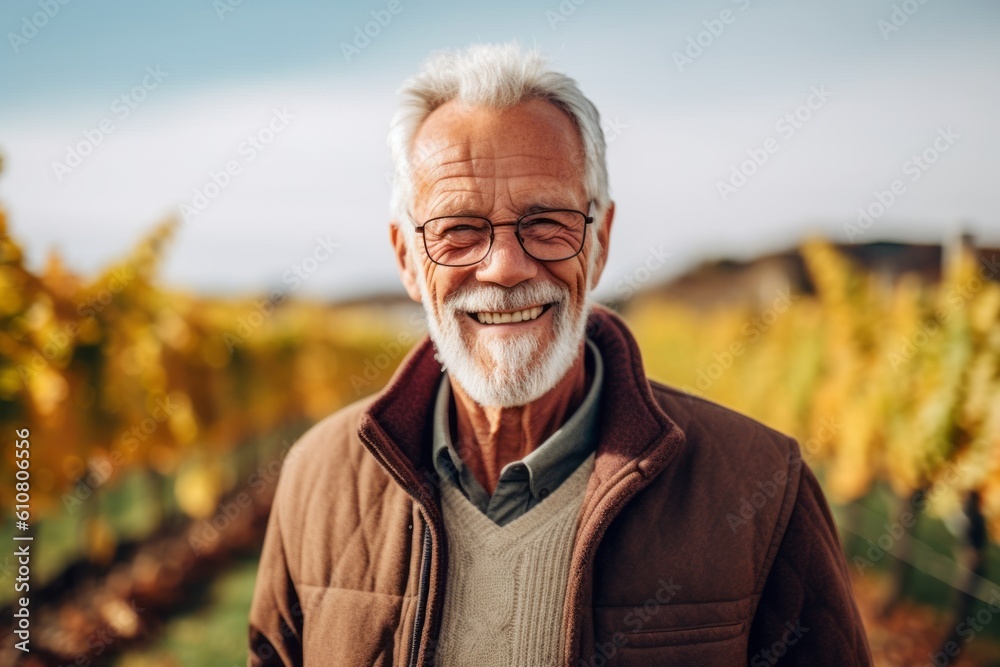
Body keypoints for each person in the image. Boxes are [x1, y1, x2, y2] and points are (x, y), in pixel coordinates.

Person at [248, 42, 872, 666]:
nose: (505, 268)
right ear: (407, 258)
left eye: (546, 221)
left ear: (599, 243)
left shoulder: (759, 484)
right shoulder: (316, 478)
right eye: (458, 230)